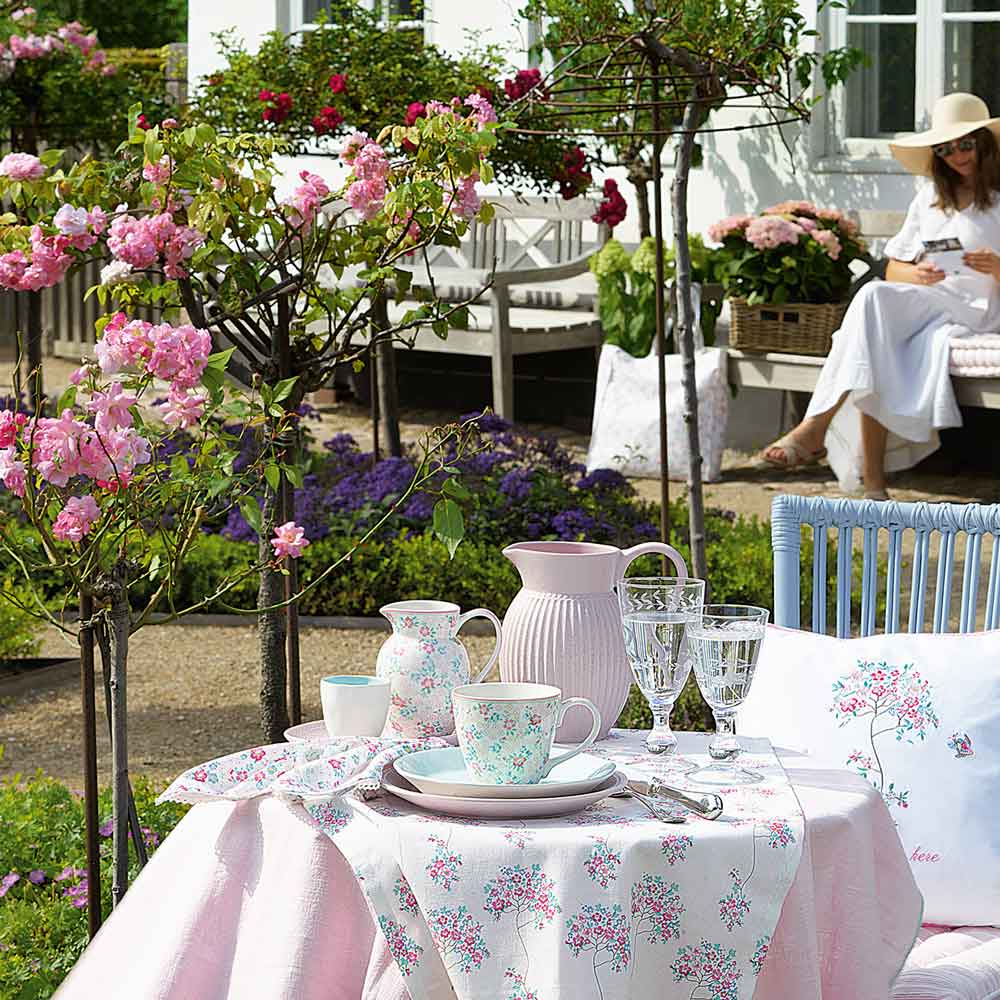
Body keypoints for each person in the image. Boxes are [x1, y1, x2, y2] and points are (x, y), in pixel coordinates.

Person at [760, 92, 1000, 498]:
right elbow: (893, 269)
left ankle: (816, 427)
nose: (956, 155)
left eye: (965, 144)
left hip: (979, 312)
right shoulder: (930, 198)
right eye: (944, 149)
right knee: (875, 325)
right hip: (929, 301)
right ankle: (871, 483)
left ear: (984, 143)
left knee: (872, 312)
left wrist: (996, 266)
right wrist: (918, 273)